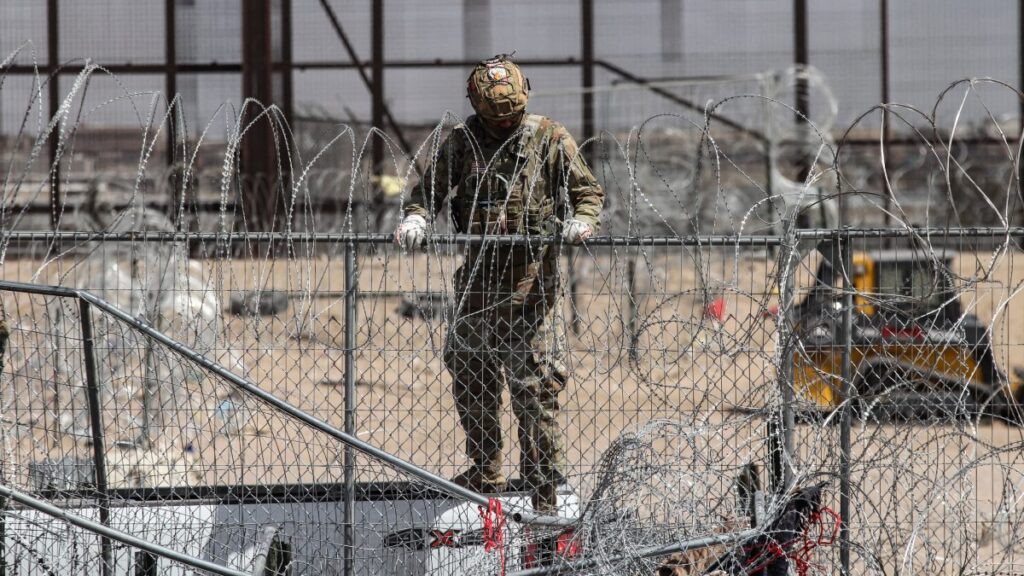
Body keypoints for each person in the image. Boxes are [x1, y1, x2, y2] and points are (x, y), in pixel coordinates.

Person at [394, 54, 604, 512]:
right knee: (472, 378)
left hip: (534, 293)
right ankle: (485, 468)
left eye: (511, 111)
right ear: (477, 104)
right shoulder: (462, 143)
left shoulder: (549, 138)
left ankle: (543, 490)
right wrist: (416, 219)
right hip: (478, 288)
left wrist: (582, 220)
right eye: (496, 114)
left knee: (536, 392)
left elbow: (587, 192)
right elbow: (428, 194)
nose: (505, 121)